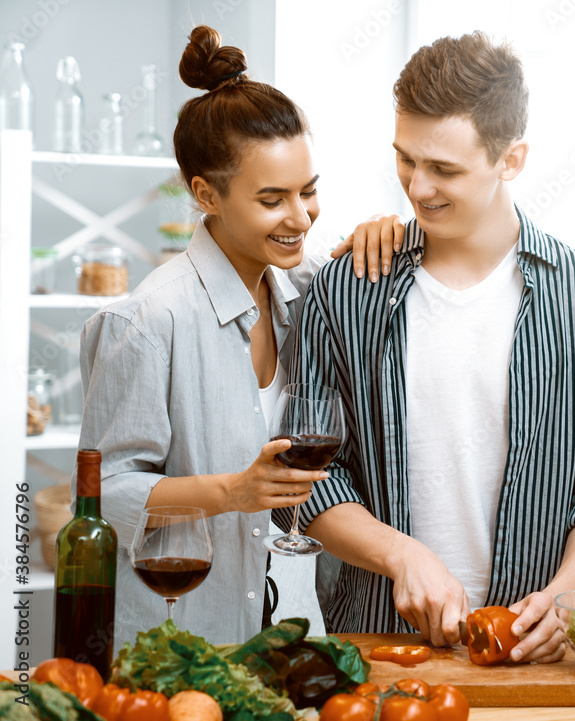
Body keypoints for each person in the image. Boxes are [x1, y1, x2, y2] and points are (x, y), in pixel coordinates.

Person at [278, 32, 575, 664]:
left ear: (511, 159)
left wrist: (568, 598)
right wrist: (401, 556)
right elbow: (306, 476)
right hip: (378, 647)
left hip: (537, 653)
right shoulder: (346, 289)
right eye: (406, 160)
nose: (418, 189)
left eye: (444, 169)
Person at [77, 25, 400, 649]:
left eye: (308, 191)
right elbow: (107, 490)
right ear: (207, 195)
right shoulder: (149, 321)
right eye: (272, 199)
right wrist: (234, 492)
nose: (301, 217)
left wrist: (389, 232)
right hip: (182, 634)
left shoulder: (311, 290)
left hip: (292, 628)